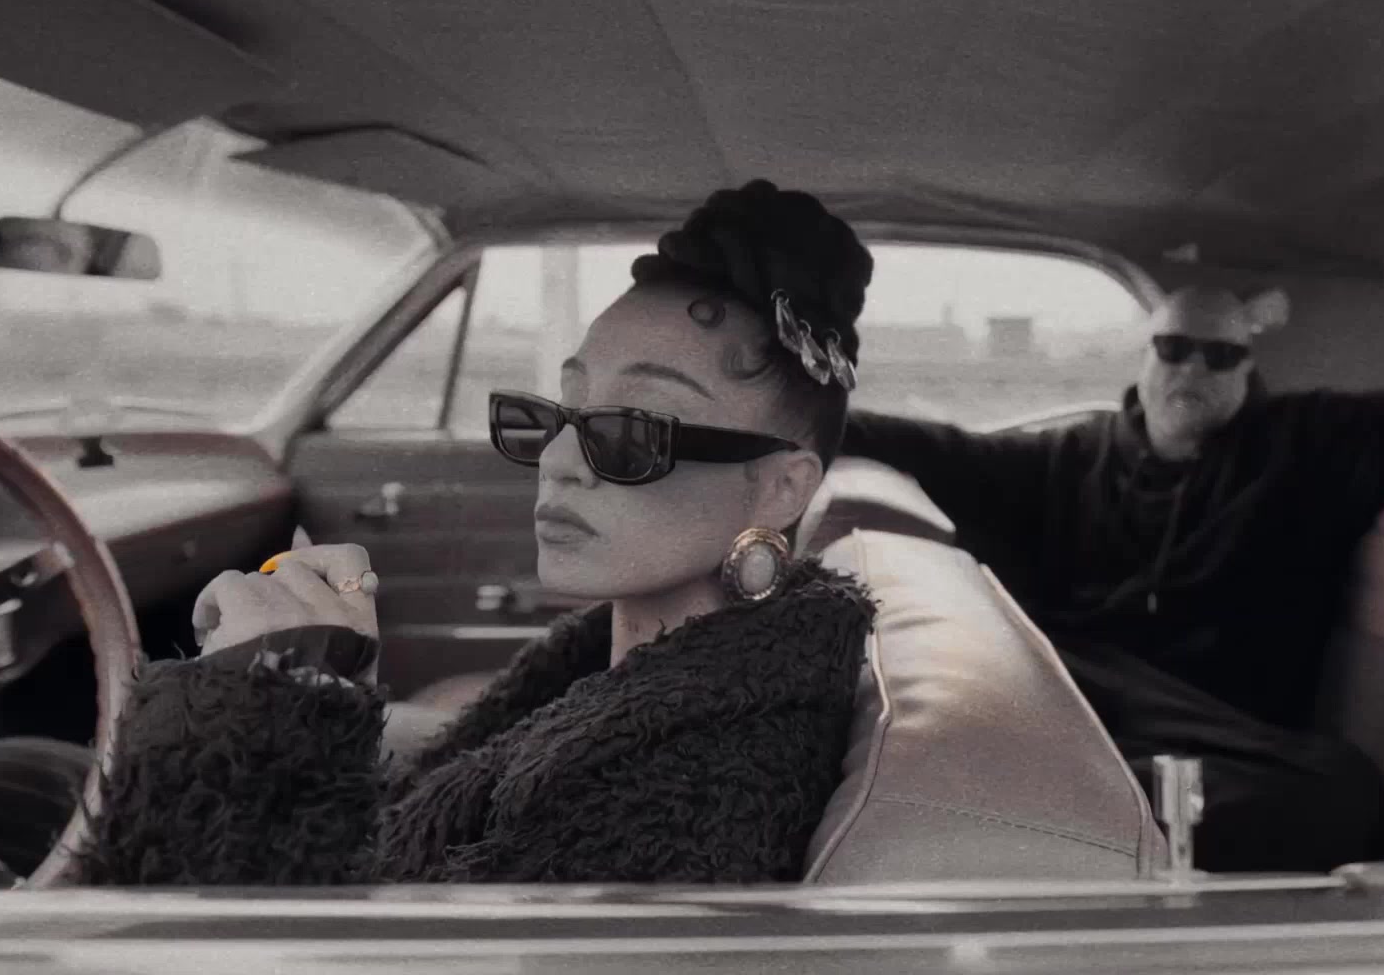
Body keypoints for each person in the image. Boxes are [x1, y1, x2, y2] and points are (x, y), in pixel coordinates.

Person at [71, 180, 878, 886]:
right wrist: (329, 691)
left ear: (780, 488)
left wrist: (245, 721)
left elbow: (238, 948)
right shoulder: (634, 680)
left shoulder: (698, 791)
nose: (557, 461)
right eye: (563, 411)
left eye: (633, 429)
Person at [841, 284, 1384, 871]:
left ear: (1246, 369)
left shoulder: (1305, 444)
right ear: (1145, 357)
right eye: (1174, 348)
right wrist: (792, 430)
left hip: (1221, 737)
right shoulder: (1066, 459)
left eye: (1221, 355)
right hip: (1074, 691)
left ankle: (1052, 822)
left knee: (1339, 795)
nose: (1194, 370)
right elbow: (918, 444)